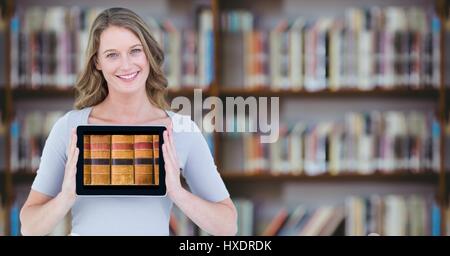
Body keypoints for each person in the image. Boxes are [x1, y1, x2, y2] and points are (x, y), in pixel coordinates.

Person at [19, 7, 237, 236]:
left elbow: (228, 226)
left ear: (149, 55)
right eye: (112, 54)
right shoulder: (69, 128)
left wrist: (177, 192)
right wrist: (65, 198)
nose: (126, 65)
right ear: (97, 62)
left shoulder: (181, 130)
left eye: (135, 51)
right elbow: (30, 227)